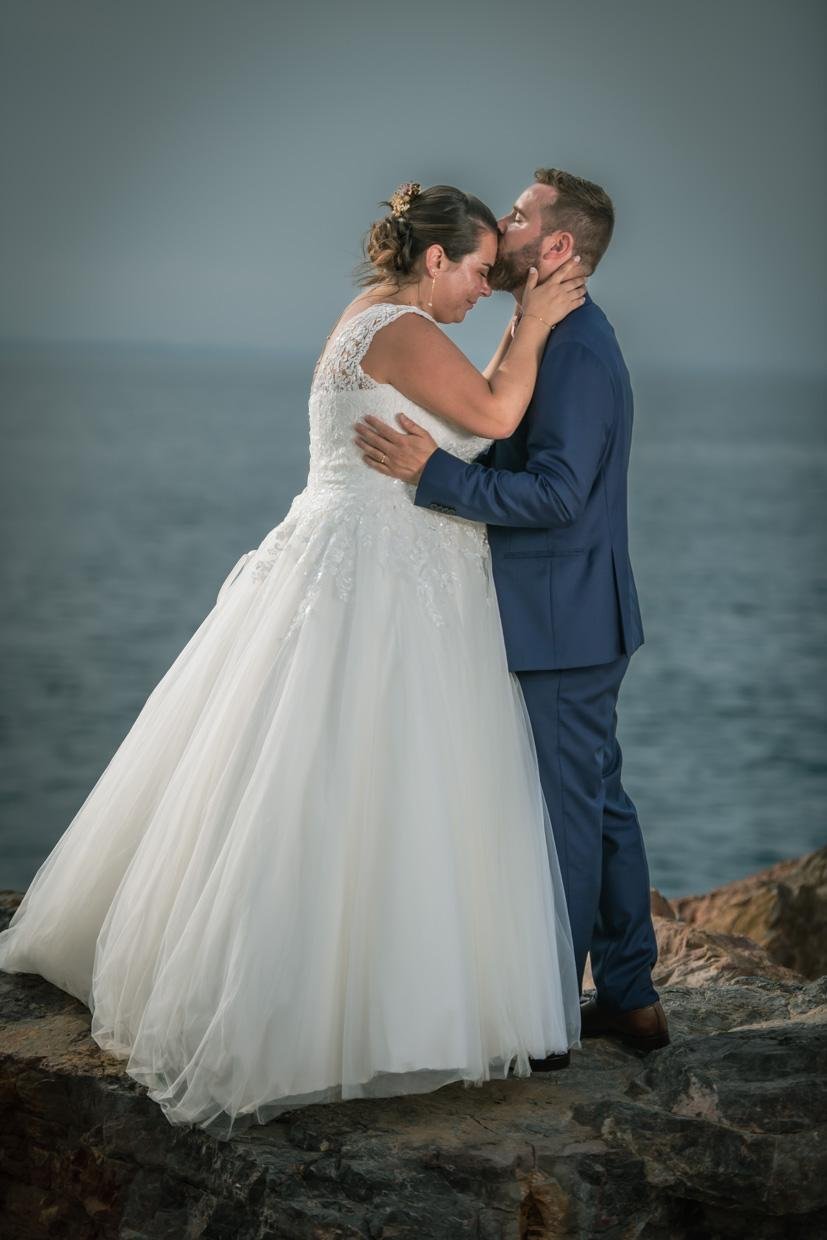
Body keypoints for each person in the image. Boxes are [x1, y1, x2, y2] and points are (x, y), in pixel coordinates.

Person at [0, 182, 590, 1140]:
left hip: (355, 553)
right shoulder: (400, 325)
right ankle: (332, 1012)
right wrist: (532, 325)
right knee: (357, 773)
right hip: (381, 571)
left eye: (499, 278)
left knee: (317, 769)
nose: (489, 286)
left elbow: (456, 405)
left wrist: (503, 340)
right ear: (435, 260)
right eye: (481, 271)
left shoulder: (375, 315)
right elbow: (487, 416)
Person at [354, 169, 670, 1053]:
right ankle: (631, 993)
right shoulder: (555, 333)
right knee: (597, 801)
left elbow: (560, 493)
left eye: (522, 216)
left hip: (560, 620)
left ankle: (547, 1023)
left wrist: (434, 475)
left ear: (558, 246)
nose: (505, 220)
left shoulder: (574, 347)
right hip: (569, 613)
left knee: (564, 817)